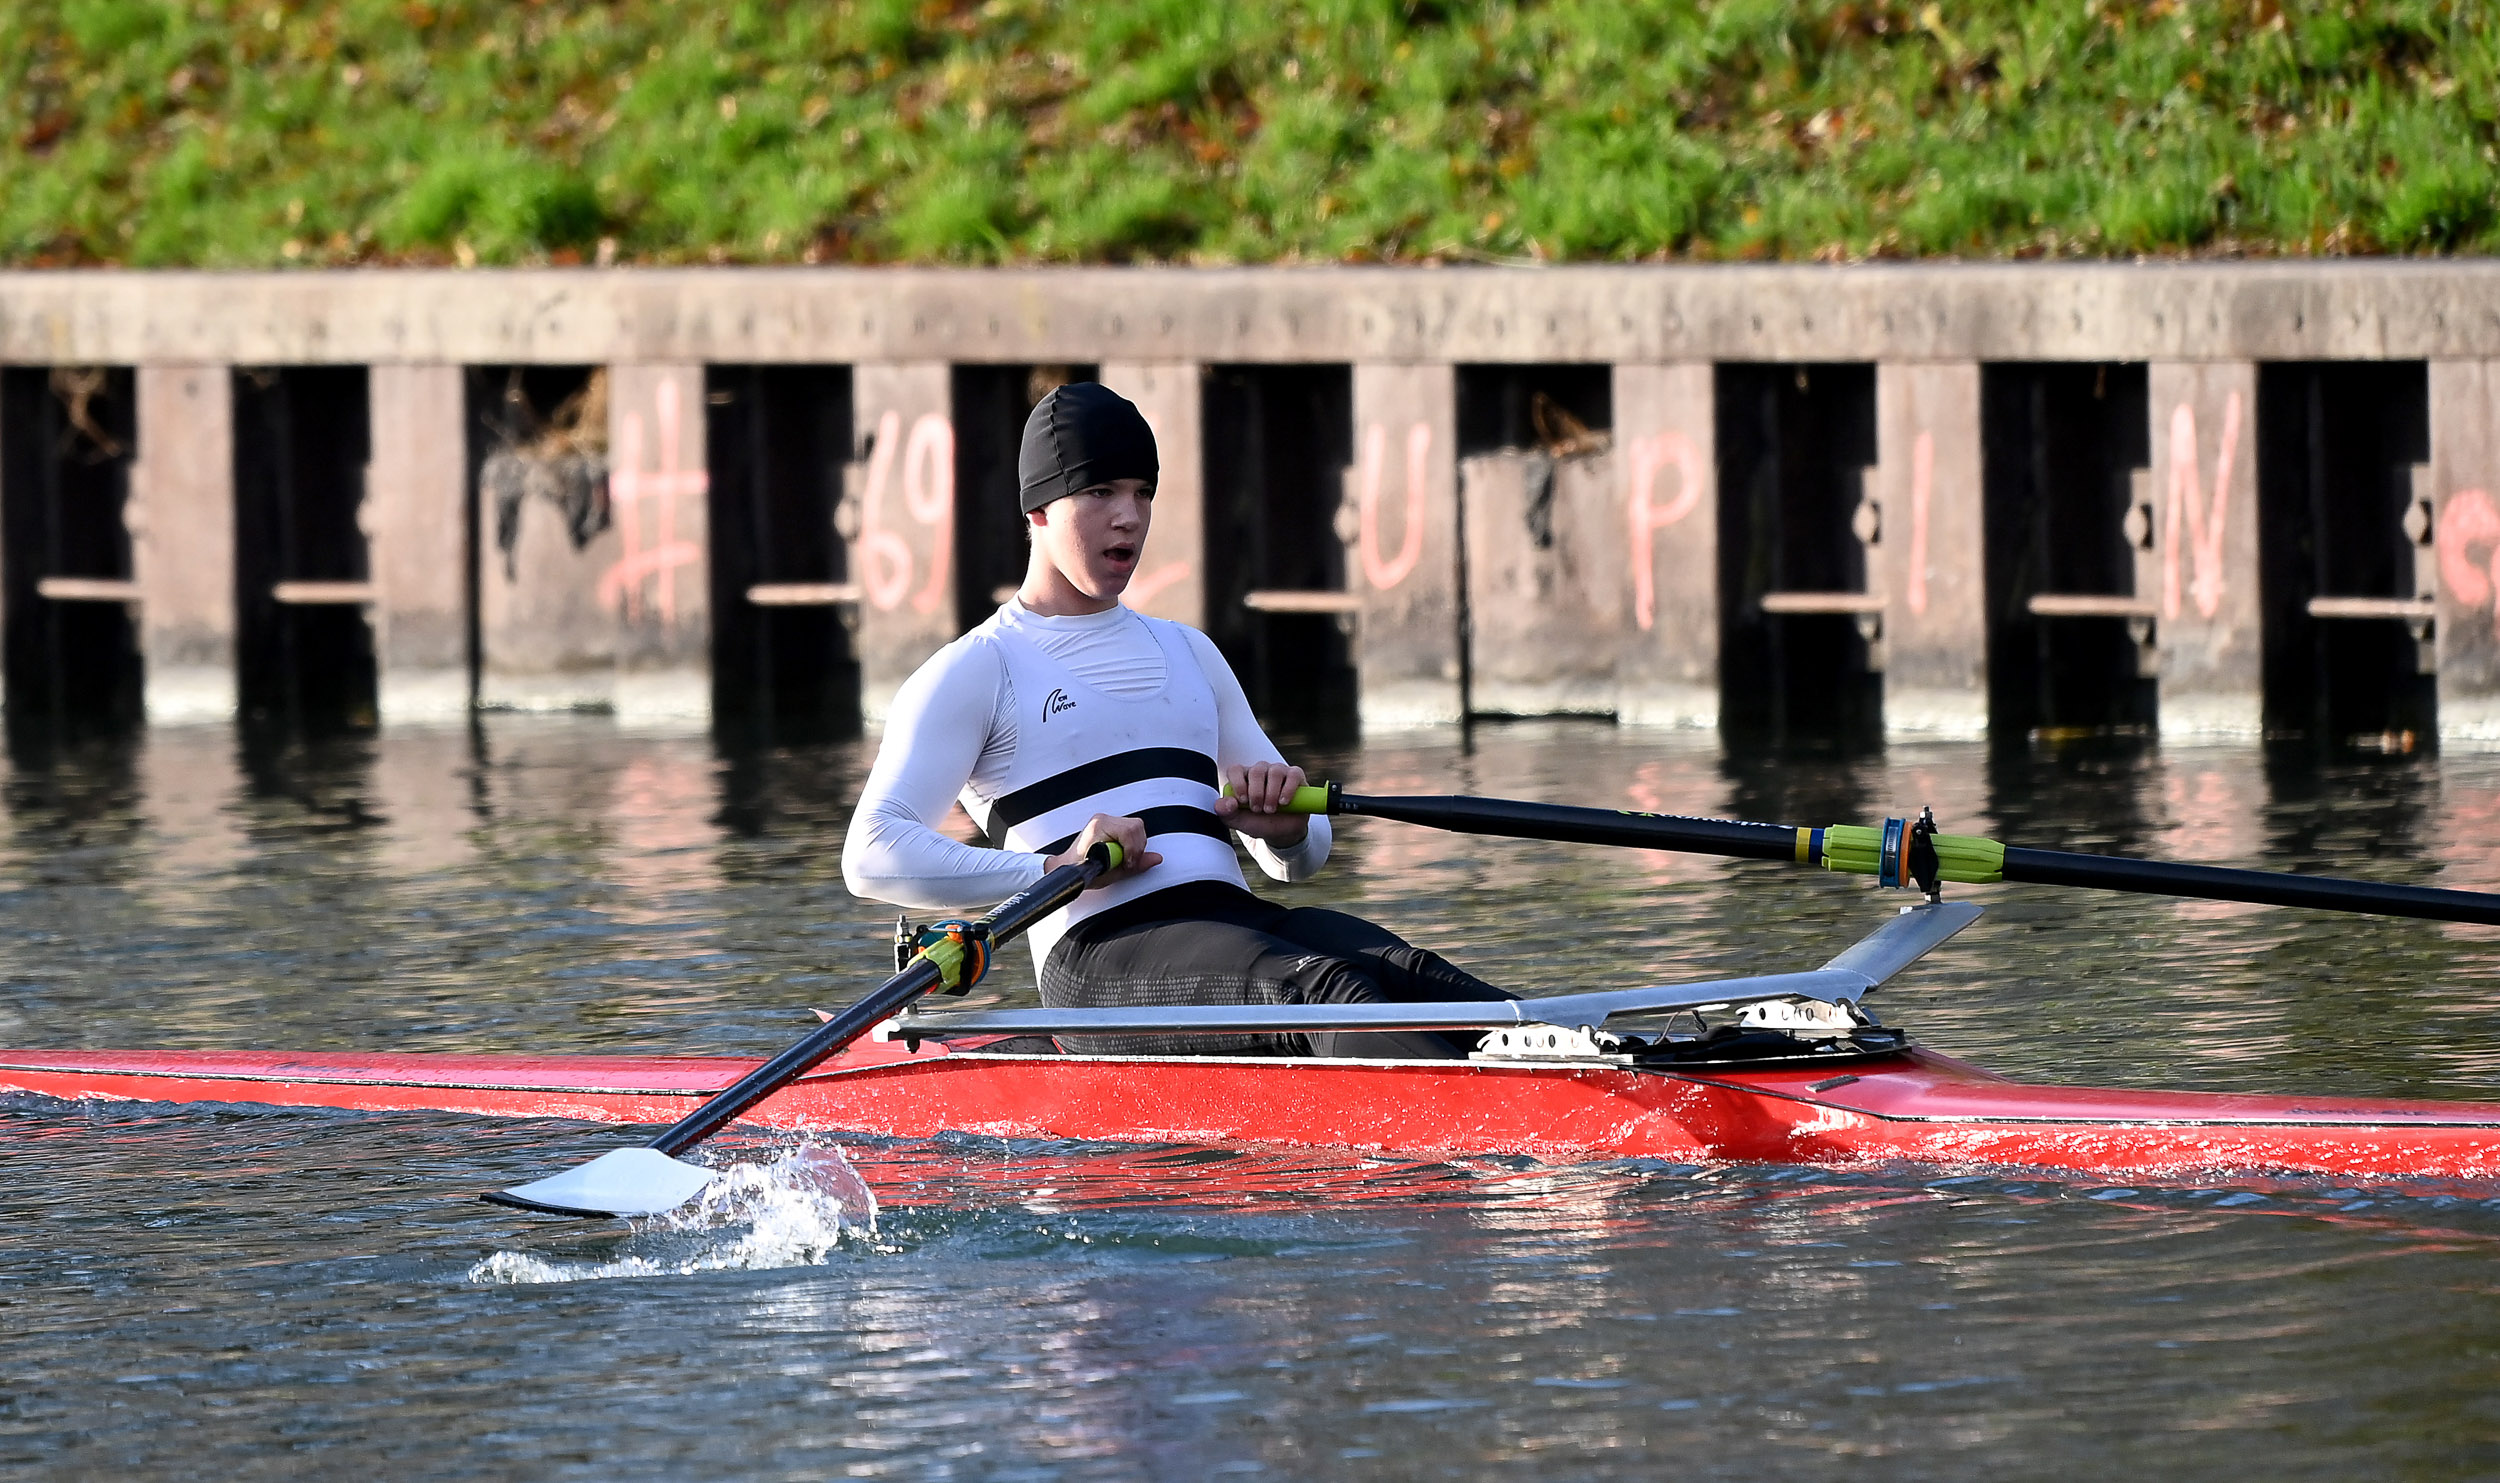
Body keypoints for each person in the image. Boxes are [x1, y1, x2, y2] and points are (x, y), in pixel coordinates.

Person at [841, 382, 1511, 1057]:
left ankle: (1597, 1103)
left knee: (1428, 981)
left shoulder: (1189, 651)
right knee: (1334, 993)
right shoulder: (981, 668)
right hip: (1101, 958)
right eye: (1100, 492)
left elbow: (1303, 858)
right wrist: (1053, 866)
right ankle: (1482, 1150)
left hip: (1239, 925)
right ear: (1039, 507)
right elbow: (870, 852)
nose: (1128, 516)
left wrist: (1285, 830)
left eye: (1141, 492)